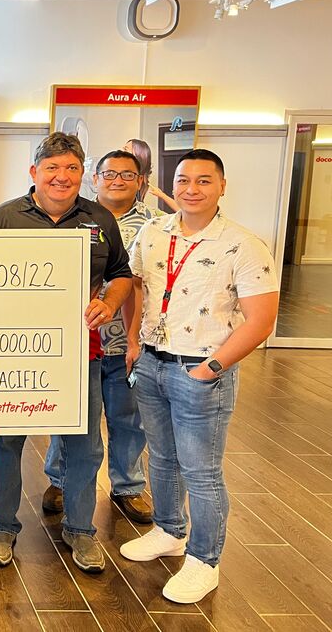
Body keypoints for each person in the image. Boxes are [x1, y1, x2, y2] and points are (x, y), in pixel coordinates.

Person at [121, 149, 278, 603]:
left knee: (202, 471)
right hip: (151, 362)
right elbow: (136, 288)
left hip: (202, 370)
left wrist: (213, 367)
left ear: (222, 186)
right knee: (162, 458)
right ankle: (169, 531)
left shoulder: (243, 244)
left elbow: (261, 319)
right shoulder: (153, 233)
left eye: (204, 181)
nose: (192, 189)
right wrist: (134, 342)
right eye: (184, 180)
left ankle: (204, 560)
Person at [0, 133, 132, 573]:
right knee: (7, 440)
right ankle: (3, 526)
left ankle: (81, 530)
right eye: (52, 168)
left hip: (77, 352)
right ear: (34, 173)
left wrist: (109, 301)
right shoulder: (5, 217)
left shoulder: (100, 218)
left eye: (70, 169)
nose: (61, 177)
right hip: (14, 351)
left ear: (81, 174)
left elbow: (121, 273)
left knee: (84, 445)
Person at [42, 150, 157, 525]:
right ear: (95, 178)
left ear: (140, 181)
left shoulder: (157, 226)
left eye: (127, 174)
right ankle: (60, 481)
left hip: (125, 335)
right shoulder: (76, 216)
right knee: (69, 414)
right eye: (109, 173)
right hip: (77, 338)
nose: (117, 180)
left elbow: (141, 285)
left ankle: (128, 486)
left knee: (126, 416)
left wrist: (136, 335)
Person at [124, 138, 178, 212]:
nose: (121, 151)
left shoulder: (150, 191)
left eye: (125, 149)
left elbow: (181, 211)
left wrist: (162, 195)